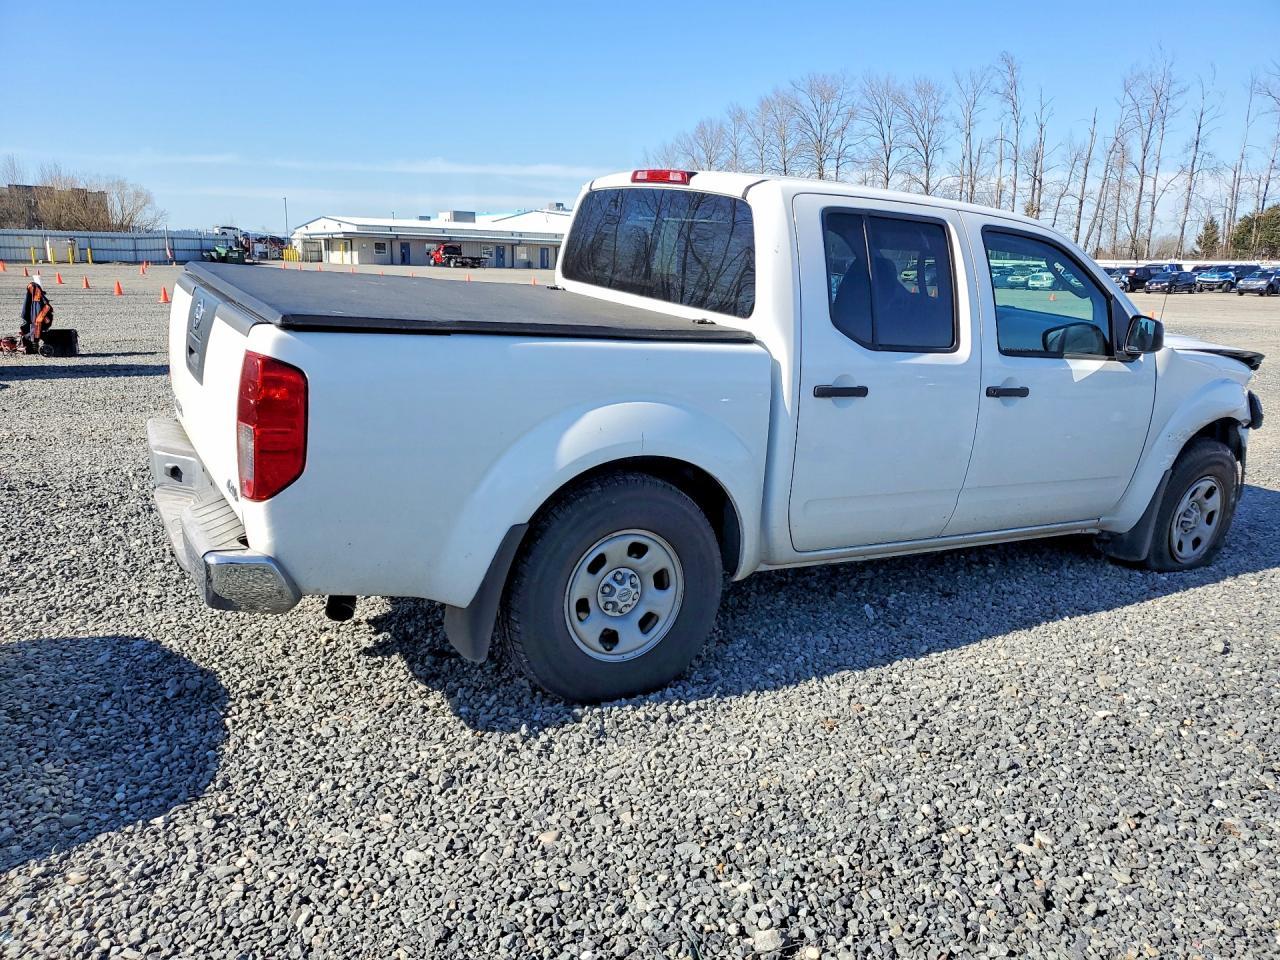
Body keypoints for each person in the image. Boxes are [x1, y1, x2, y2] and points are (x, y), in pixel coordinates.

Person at [19, 274, 54, 354]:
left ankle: (33, 345)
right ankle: (34, 345)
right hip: (37, 323)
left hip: (36, 323)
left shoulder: (34, 296)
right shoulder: (38, 299)